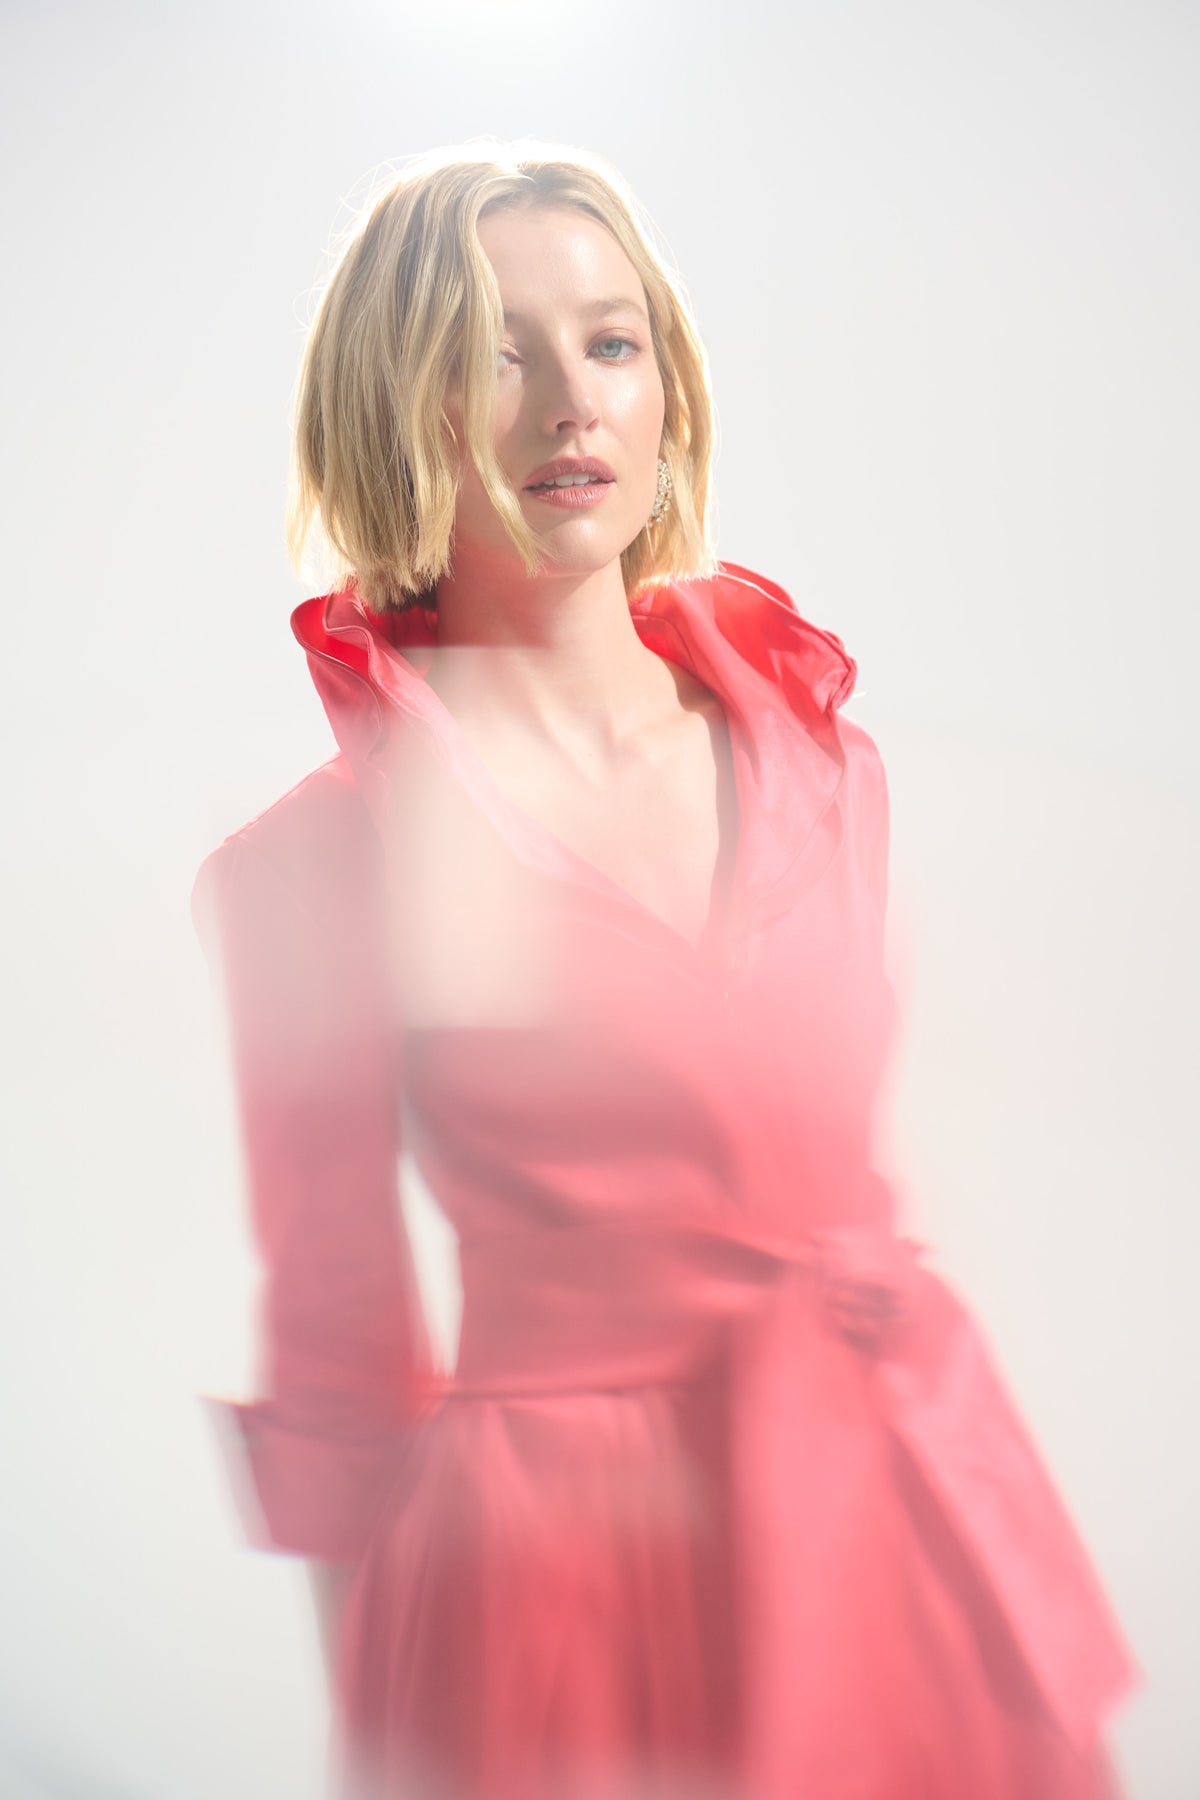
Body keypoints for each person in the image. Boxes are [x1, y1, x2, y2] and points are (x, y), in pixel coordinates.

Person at [192, 140, 1137, 1800]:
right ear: (392, 410)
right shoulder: (319, 866)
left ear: (668, 394)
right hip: (563, 1602)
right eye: (495, 353)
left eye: (611, 342)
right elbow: (340, 1368)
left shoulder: (824, 766)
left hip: (884, 1528)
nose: (572, 399)